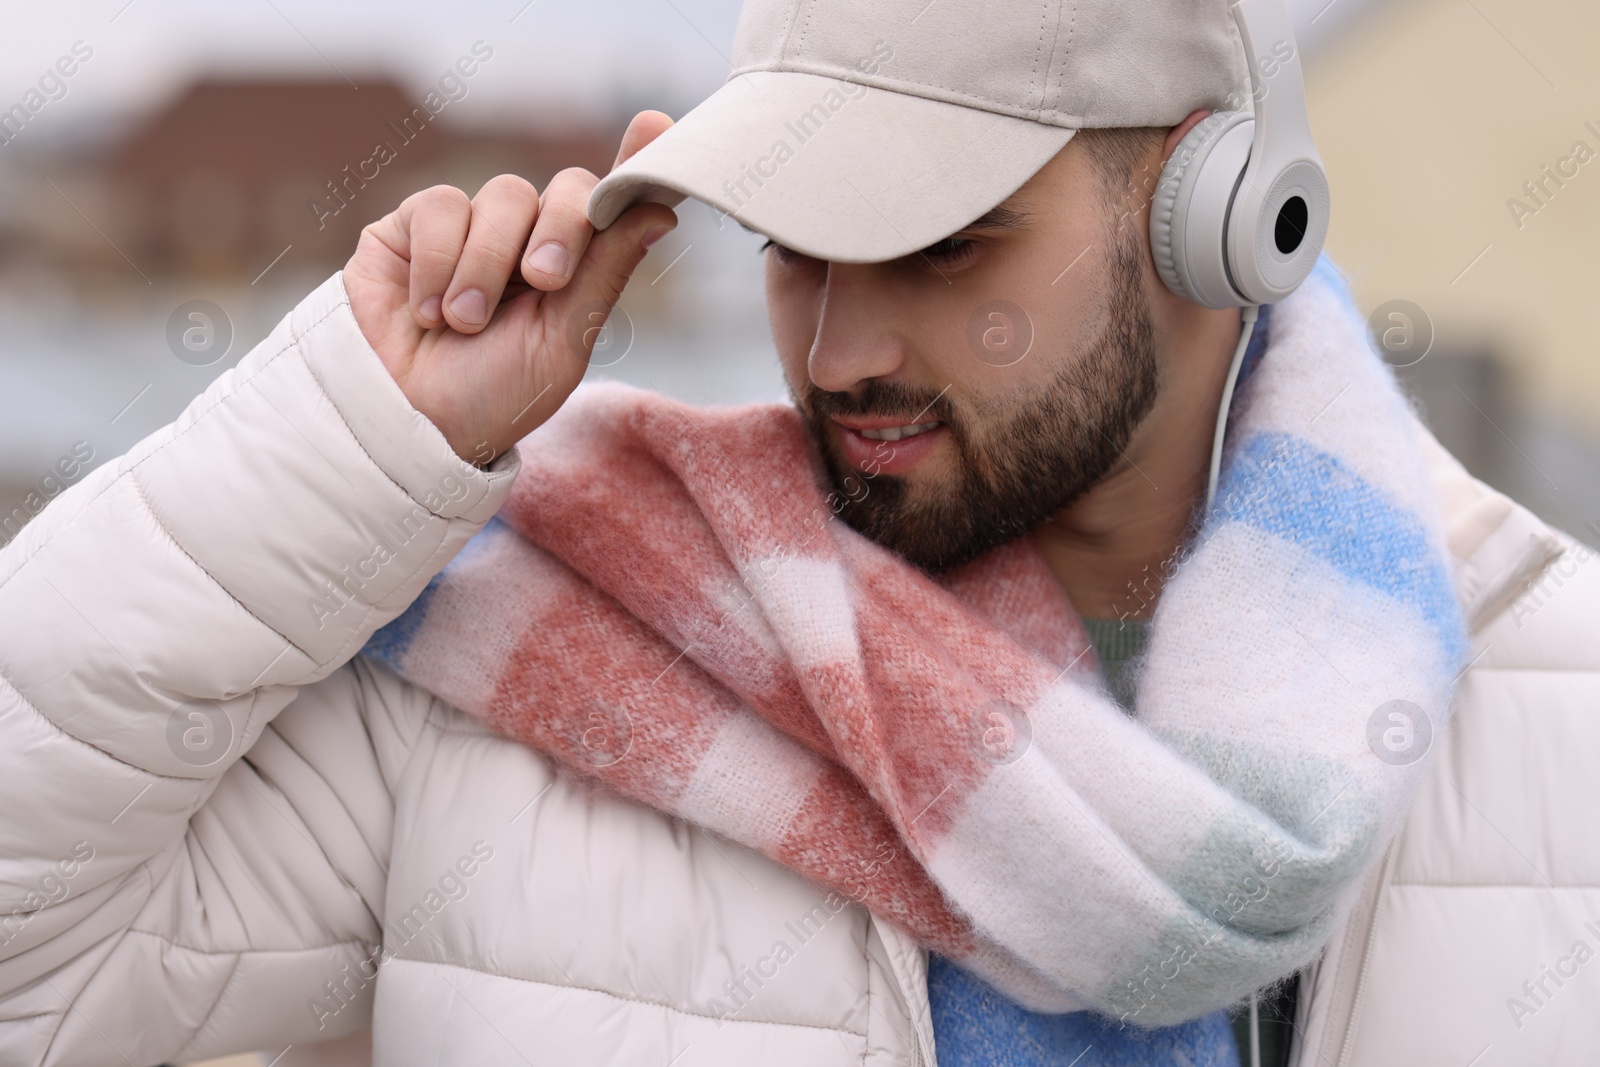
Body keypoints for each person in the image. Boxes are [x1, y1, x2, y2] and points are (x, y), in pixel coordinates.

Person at [1, 0, 1596, 1064]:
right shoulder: (546, 666)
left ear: (1224, 211)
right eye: (792, 250)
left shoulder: (1562, 709)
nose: (837, 355)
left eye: (941, 245)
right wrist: (357, 435)